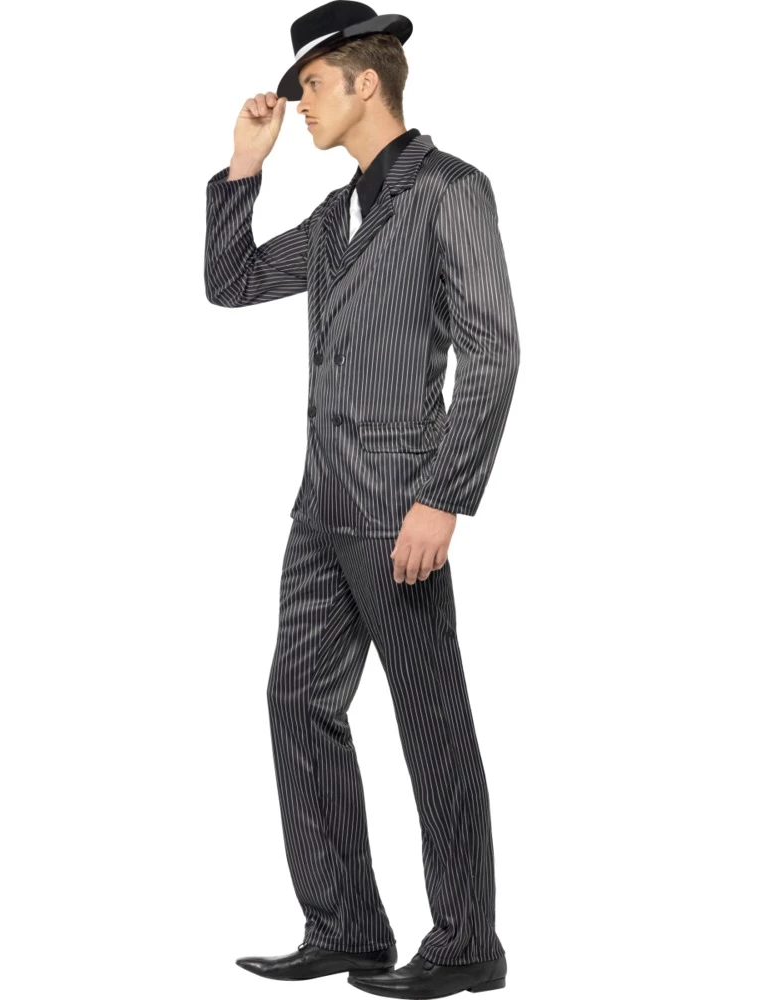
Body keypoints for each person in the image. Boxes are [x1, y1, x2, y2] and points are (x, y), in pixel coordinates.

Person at [204, 3, 519, 996]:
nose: (299, 105)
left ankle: (466, 943)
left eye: (309, 87)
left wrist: (443, 496)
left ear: (363, 82)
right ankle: (345, 923)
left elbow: (493, 352)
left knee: (430, 722)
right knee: (296, 700)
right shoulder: (334, 215)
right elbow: (231, 282)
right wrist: (243, 166)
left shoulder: (450, 190)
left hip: (398, 508)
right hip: (319, 505)